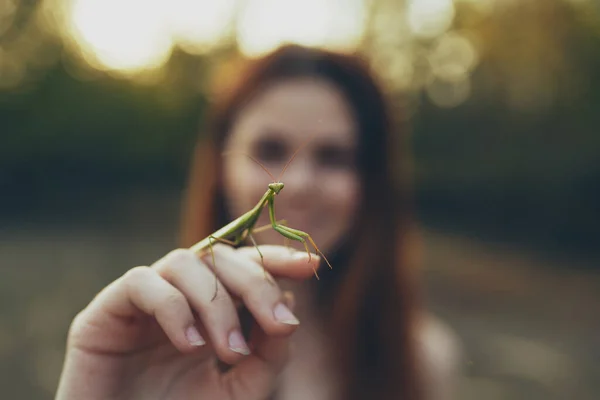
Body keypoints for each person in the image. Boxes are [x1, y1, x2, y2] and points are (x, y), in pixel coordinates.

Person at [55, 44, 460, 400]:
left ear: (373, 181)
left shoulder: (422, 361)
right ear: (220, 165)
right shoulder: (157, 346)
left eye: (334, 156)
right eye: (269, 148)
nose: (298, 185)